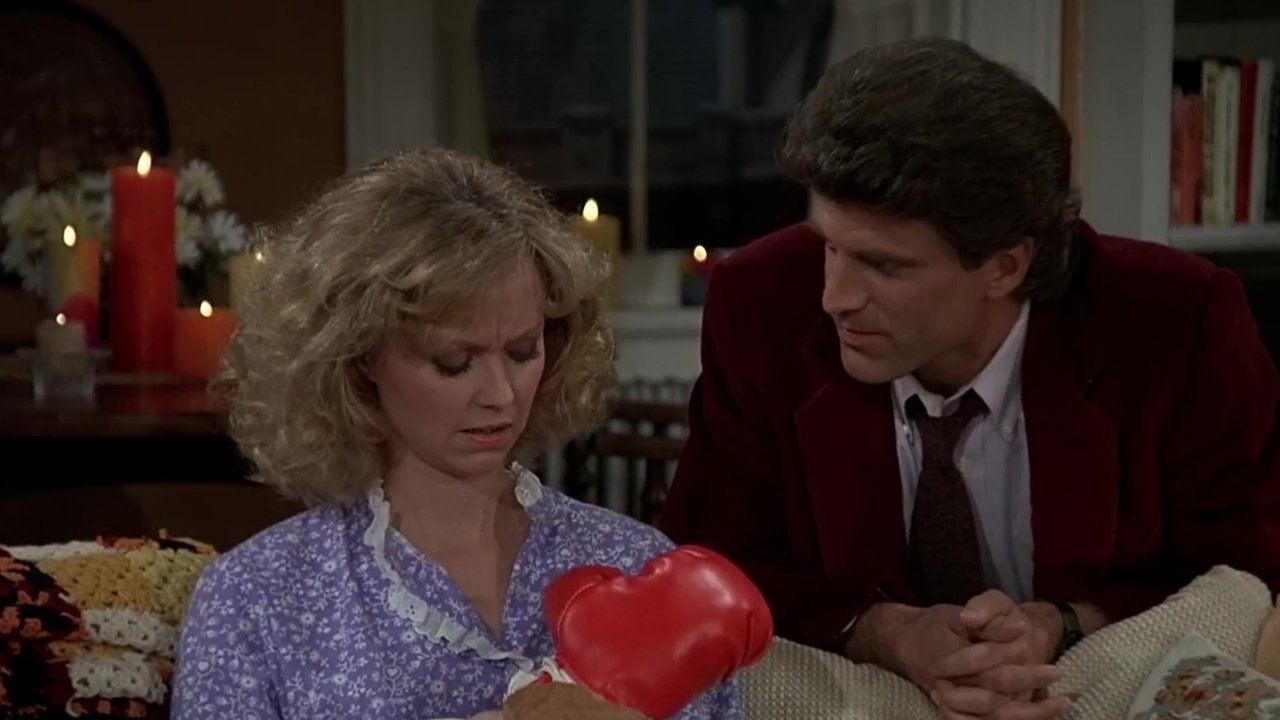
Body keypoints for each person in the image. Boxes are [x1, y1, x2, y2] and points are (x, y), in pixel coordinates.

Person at [660, 36, 1280, 720]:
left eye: (884, 266)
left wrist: (1063, 624)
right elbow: (705, 562)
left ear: (1006, 266)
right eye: (830, 245)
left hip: (1096, 681)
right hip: (862, 691)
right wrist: (882, 631)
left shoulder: (1177, 320)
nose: (835, 297)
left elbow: (1246, 575)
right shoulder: (759, 304)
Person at [172, 148, 742, 720]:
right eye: (454, 362)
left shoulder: (638, 565)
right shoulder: (256, 599)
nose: (501, 394)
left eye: (523, 351)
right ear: (362, 357)